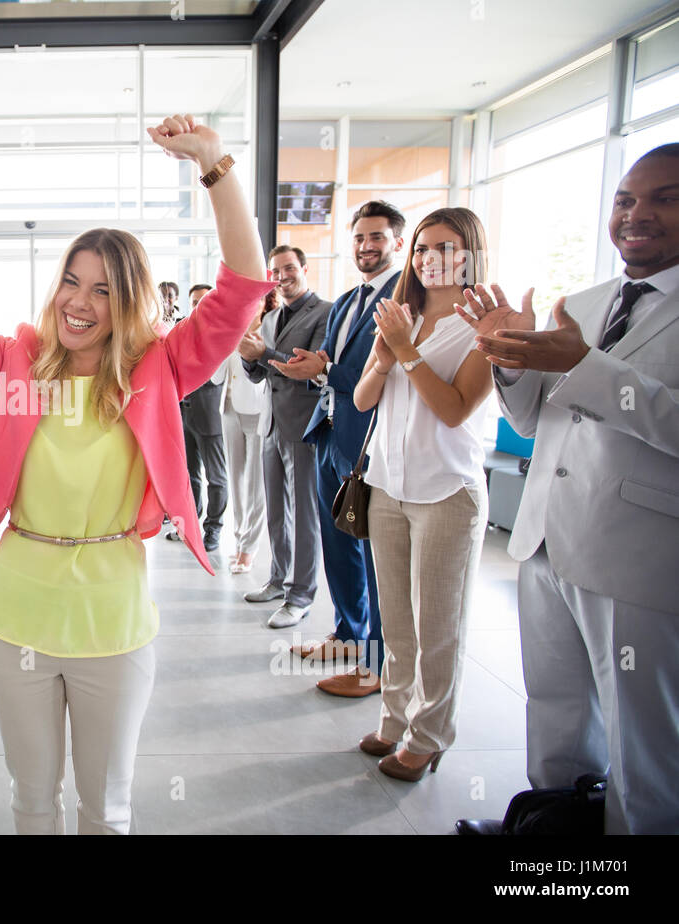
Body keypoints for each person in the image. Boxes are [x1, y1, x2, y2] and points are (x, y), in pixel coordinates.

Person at [0, 115, 270, 834]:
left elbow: (244, 288)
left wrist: (216, 168)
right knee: (32, 800)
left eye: (101, 290)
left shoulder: (159, 369)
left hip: (115, 617)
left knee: (107, 807)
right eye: (71, 280)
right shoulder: (15, 366)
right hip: (20, 613)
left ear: (128, 301)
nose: (78, 301)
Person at [459, 145, 679, 833]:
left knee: (642, 734)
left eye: (663, 198)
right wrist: (513, 362)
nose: (637, 215)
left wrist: (583, 363)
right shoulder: (582, 301)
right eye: (625, 200)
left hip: (634, 553)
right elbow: (538, 416)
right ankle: (554, 824)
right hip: (547, 535)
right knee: (555, 705)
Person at [351, 207, 493, 782]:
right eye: (423, 248)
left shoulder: (486, 324)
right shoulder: (398, 315)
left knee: (439, 625)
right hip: (387, 485)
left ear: (470, 255)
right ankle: (393, 718)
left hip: (447, 493)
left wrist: (407, 353)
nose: (431, 258)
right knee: (398, 619)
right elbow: (362, 400)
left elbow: (457, 409)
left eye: (447, 247)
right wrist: (385, 361)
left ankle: (431, 735)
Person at [283, 200, 405, 697]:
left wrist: (325, 370)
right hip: (330, 432)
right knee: (340, 544)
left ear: (399, 242)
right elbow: (330, 365)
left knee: (374, 554)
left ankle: (377, 664)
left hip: (371, 441)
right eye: (359, 238)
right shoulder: (349, 299)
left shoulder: (404, 299)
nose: (366, 246)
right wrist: (311, 370)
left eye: (377, 237)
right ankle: (349, 636)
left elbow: (387, 369)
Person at [241, 245, 331, 628]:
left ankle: (301, 594)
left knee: (304, 515)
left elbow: (309, 368)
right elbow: (258, 374)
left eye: (289, 268)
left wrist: (263, 353)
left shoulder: (327, 312)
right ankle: (278, 580)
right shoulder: (272, 315)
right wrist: (249, 356)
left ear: (305, 268)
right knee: (276, 510)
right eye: (275, 270)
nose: (282, 276)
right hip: (272, 424)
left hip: (304, 425)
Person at [221, 286, 278, 574]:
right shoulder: (233, 326)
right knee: (236, 479)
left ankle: (249, 548)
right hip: (228, 405)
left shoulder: (271, 327)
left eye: (254, 300)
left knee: (255, 484)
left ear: (264, 302)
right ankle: (238, 541)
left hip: (256, 409)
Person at [177, 284, 229, 552]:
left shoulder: (222, 333)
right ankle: (192, 526)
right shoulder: (186, 331)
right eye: (194, 301)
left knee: (216, 477)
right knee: (190, 474)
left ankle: (214, 529)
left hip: (210, 415)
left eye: (203, 301)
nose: (198, 306)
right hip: (185, 413)